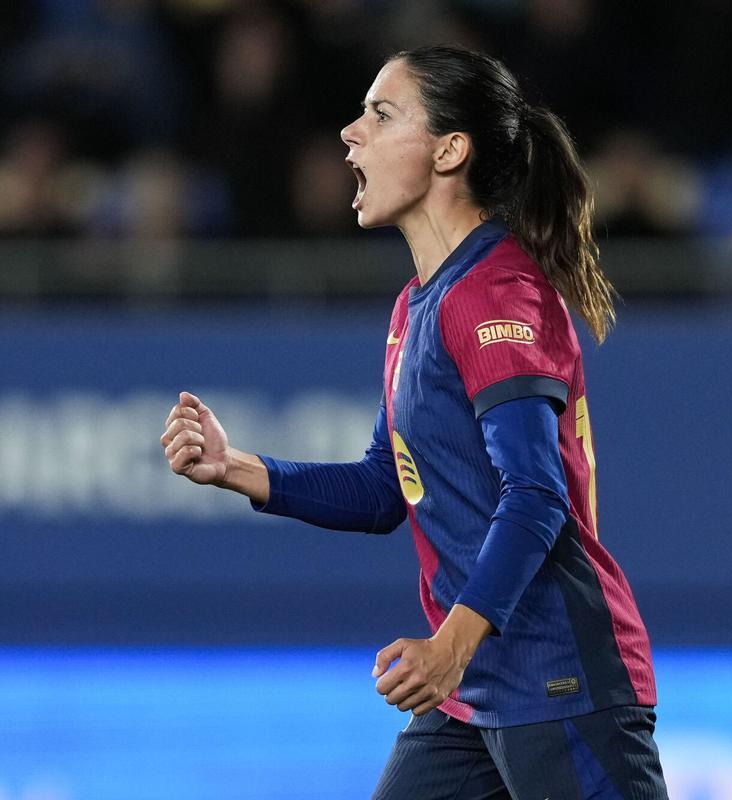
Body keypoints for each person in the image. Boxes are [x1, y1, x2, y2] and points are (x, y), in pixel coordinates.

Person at [160, 45, 668, 800]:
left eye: (381, 113)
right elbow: (384, 488)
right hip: (472, 694)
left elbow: (536, 495)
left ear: (449, 151)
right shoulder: (416, 306)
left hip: (560, 681)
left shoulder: (495, 295)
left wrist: (449, 648)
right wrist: (235, 468)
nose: (350, 132)